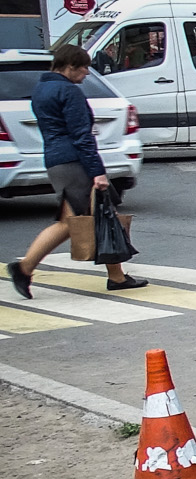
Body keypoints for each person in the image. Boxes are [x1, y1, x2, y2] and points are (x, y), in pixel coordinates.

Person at [8, 45, 146, 298]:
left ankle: (116, 275)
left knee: (90, 218)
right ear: (70, 66)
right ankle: (24, 267)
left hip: (55, 160)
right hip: (74, 161)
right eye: (83, 68)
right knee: (87, 218)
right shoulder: (68, 91)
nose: (86, 73)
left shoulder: (41, 88)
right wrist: (98, 172)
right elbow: (82, 136)